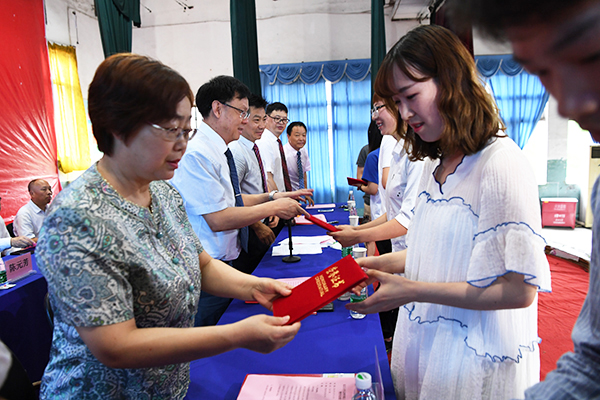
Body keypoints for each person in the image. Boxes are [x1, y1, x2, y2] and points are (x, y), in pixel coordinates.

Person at [36, 54, 301, 399]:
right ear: (118, 126)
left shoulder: (162, 193)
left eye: (186, 130)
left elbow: (201, 264)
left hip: (166, 386)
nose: (182, 144)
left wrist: (255, 287)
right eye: (170, 130)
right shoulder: (77, 217)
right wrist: (237, 334)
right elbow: (116, 346)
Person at [347, 25, 551, 400]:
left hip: (473, 352)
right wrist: (374, 266)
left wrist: (412, 290)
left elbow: (518, 290)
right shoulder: (433, 161)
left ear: (451, 82)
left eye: (411, 96)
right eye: (397, 102)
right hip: (428, 337)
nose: (405, 113)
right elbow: (434, 252)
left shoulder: (501, 164)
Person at [447, 0, 600, 398]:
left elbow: (519, 288)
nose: (569, 105)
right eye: (544, 73)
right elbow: (592, 361)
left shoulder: (502, 162)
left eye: (590, 57)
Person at [171, 76, 312, 327]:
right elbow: (218, 218)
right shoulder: (198, 154)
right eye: (242, 113)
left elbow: (232, 200)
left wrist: (272, 196)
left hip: (223, 263)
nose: (246, 121)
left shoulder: (219, 150)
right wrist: (273, 207)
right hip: (208, 268)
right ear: (217, 109)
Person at [228, 93, 279, 270]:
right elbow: (233, 197)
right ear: (243, 119)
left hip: (262, 220)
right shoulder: (236, 151)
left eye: (264, 119)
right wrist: (257, 226)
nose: (262, 126)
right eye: (256, 120)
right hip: (248, 227)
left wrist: (270, 208)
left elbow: (260, 184)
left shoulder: (255, 146)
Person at [256, 102, 292, 193]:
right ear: (266, 118)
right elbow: (268, 178)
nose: (281, 123)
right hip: (274, 198)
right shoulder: (264, 141)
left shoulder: (276, 142)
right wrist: (280, 199)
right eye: (277, 118)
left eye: (284, 120)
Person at [284, 121, 314, 206]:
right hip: (286, 197)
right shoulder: (283, 153)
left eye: (304, 135)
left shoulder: (303, 151)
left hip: (298, 196)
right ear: (288, 136)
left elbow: (303, 173)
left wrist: (305, 192)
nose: (301, 139)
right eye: (297, 135)